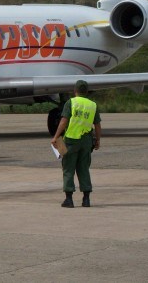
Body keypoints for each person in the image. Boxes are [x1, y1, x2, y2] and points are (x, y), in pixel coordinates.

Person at [51, 80, 102, 208]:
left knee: (68, 168)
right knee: (84, 168)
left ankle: (69, 199)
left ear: (75, 91)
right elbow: (97, 125)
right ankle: (86, 199)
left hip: (71, 140)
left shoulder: (71, 102)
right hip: (86, 141)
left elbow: (63, 121)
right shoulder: (92, 105)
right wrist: (97, 140)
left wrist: (56, 136)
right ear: (87, 91)